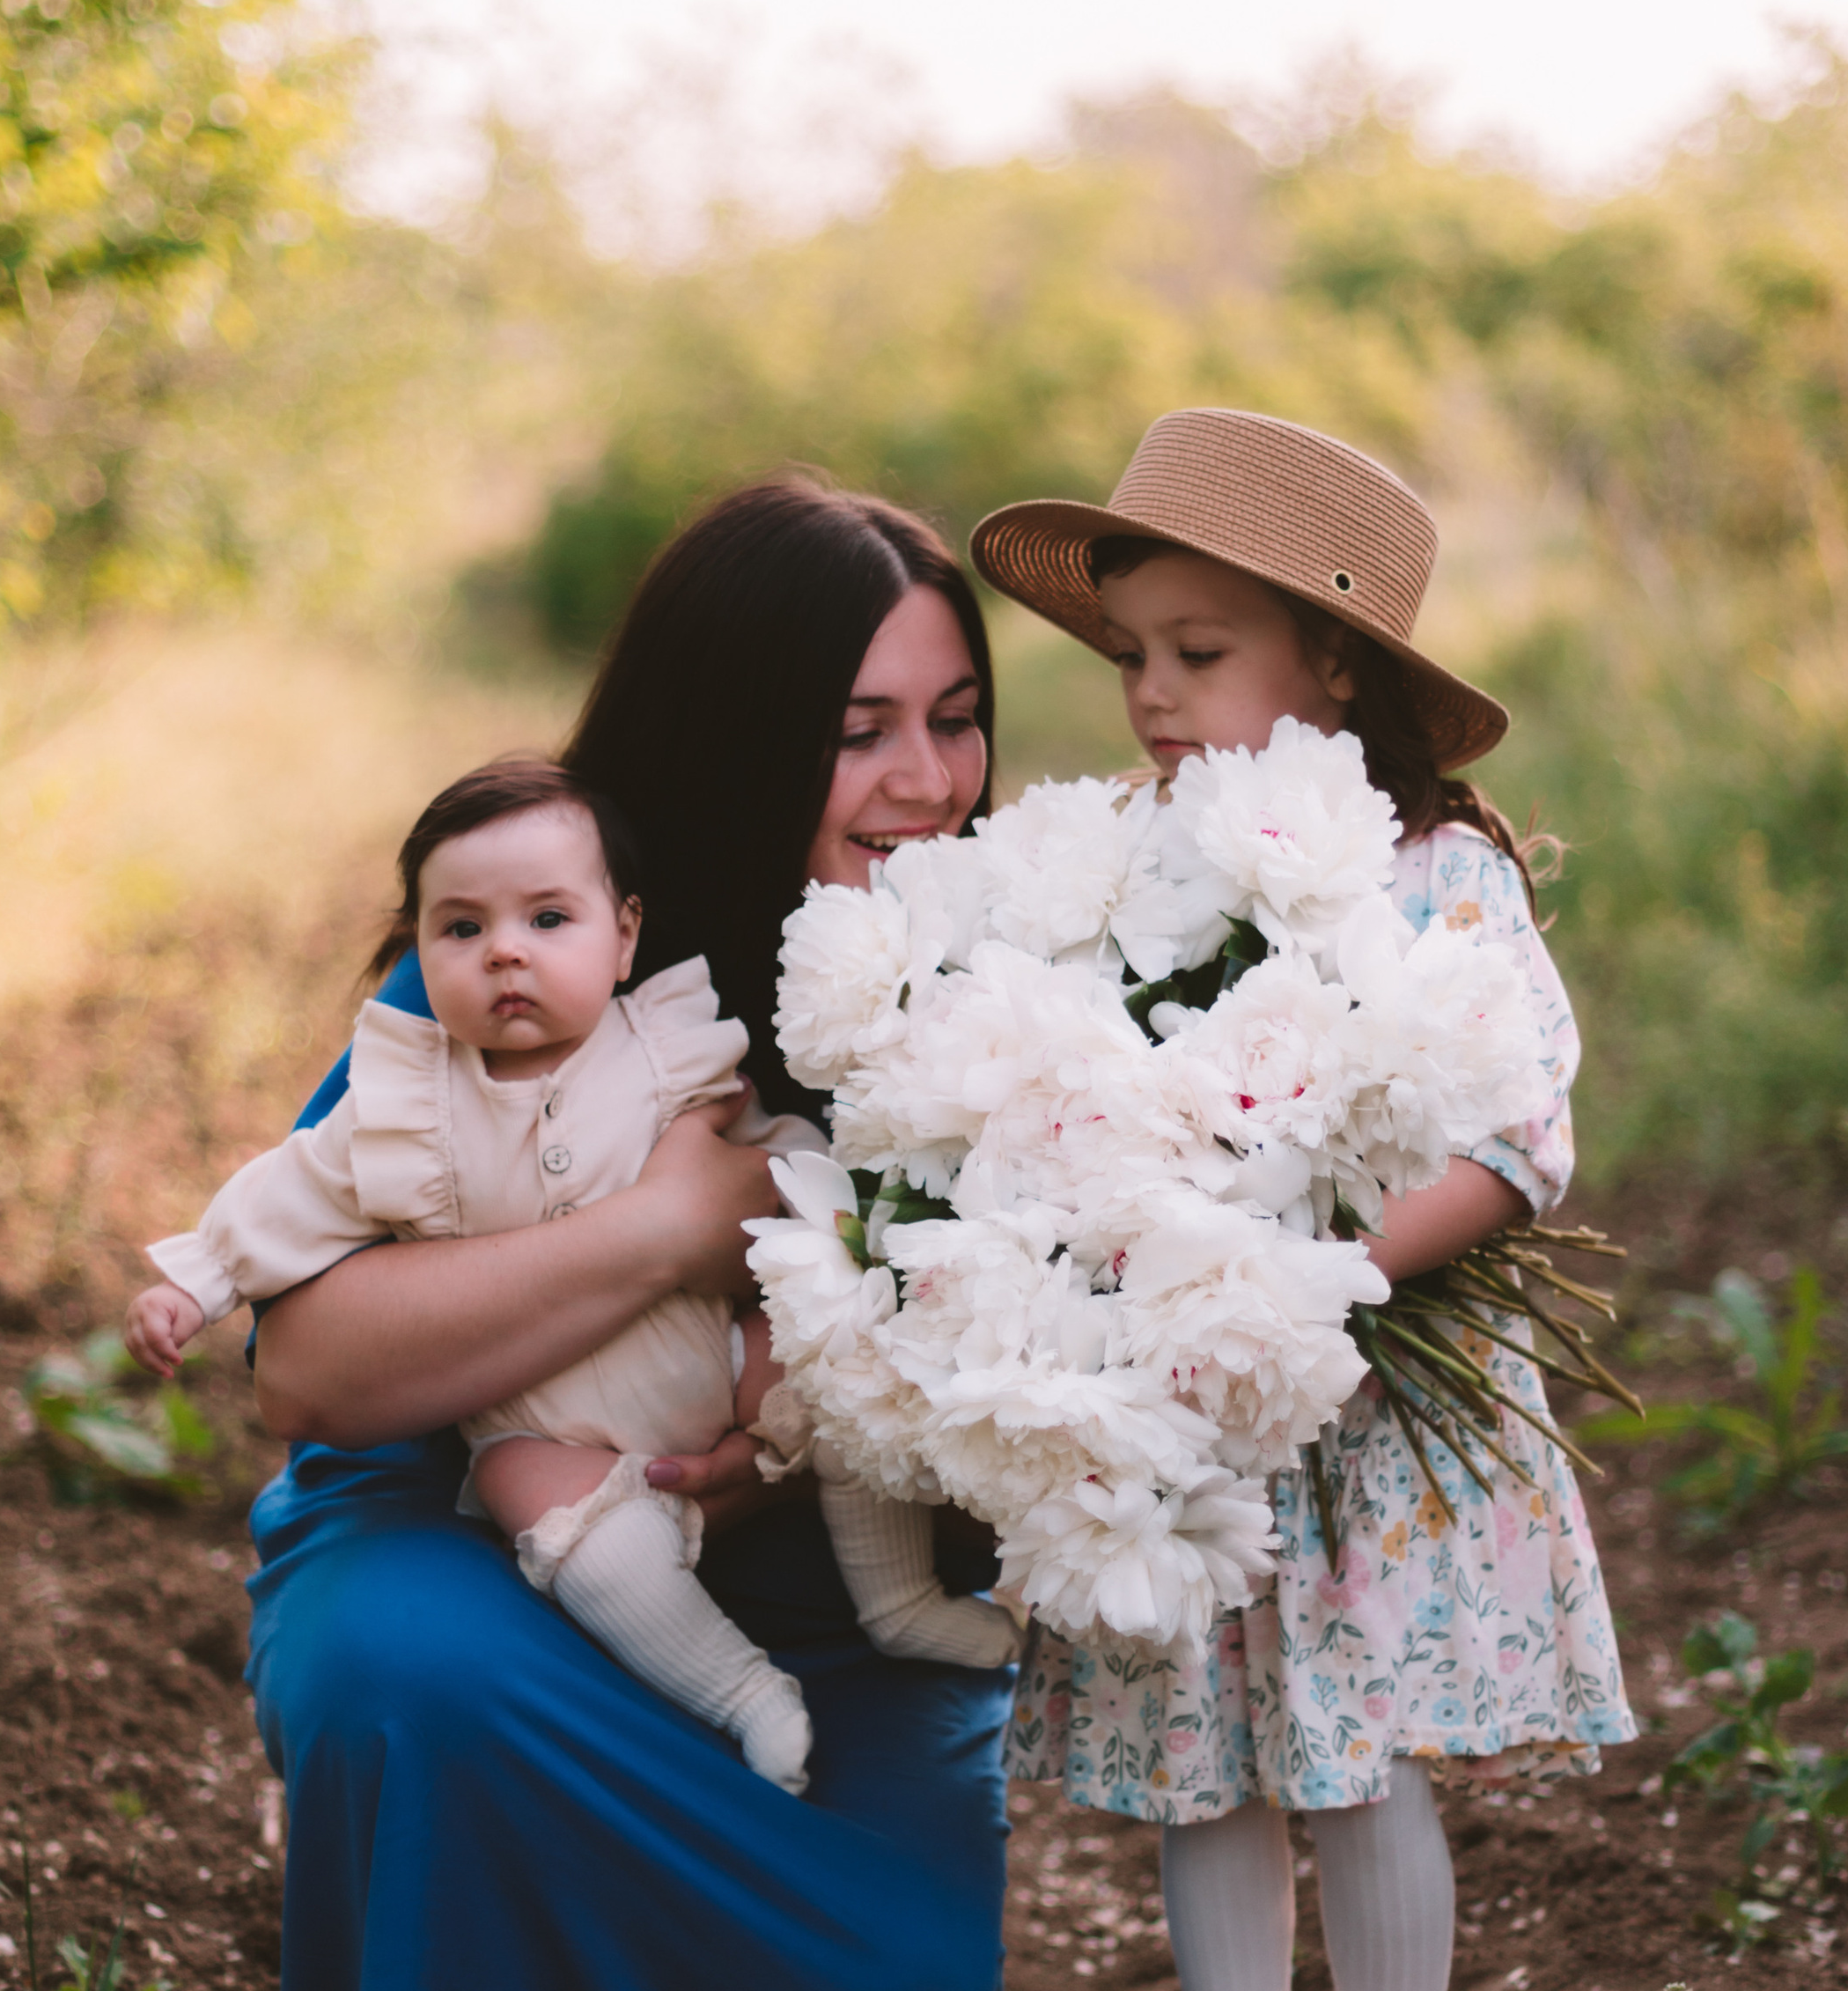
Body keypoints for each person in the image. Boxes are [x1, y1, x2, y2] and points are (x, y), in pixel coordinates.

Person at [235, 476, 1018, 1987]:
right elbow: (305, 1370)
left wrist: (793, 1451)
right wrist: (670, 1230)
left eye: (956, 717)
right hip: (477, 1546)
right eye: (856, 733)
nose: (927, 780)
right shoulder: (533, 943)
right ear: (734, 733)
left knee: (890, 1962)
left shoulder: (1010, 983)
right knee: (413, 1681)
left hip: (837, 1616)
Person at [972, 408, 1637, 1991]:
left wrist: (1316, 1283)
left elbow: (1518, 1139)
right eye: (1130, 653)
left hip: (1366, 1399)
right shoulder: (1129, 870)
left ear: (1336, 662)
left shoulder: (1437, 874)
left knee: (1357, 1752)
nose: (1148, 694)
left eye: (1197, 651)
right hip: (1186, 1411)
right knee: (1201, 1753)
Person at [126, 758, 1017, 1796]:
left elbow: (785, 1149)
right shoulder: (403, 1113)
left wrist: (822, 1223)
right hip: (542, 1425)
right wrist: (192, 1284)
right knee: (555, 1524)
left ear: (623, 933)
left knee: (844, 1359)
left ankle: (896, 1597)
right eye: (460, 930)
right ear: (416, 945)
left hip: (719, 1360)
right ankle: (740, 1692)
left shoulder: (666, 1050)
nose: (504, 950)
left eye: (548, 920)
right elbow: (279, 1201)